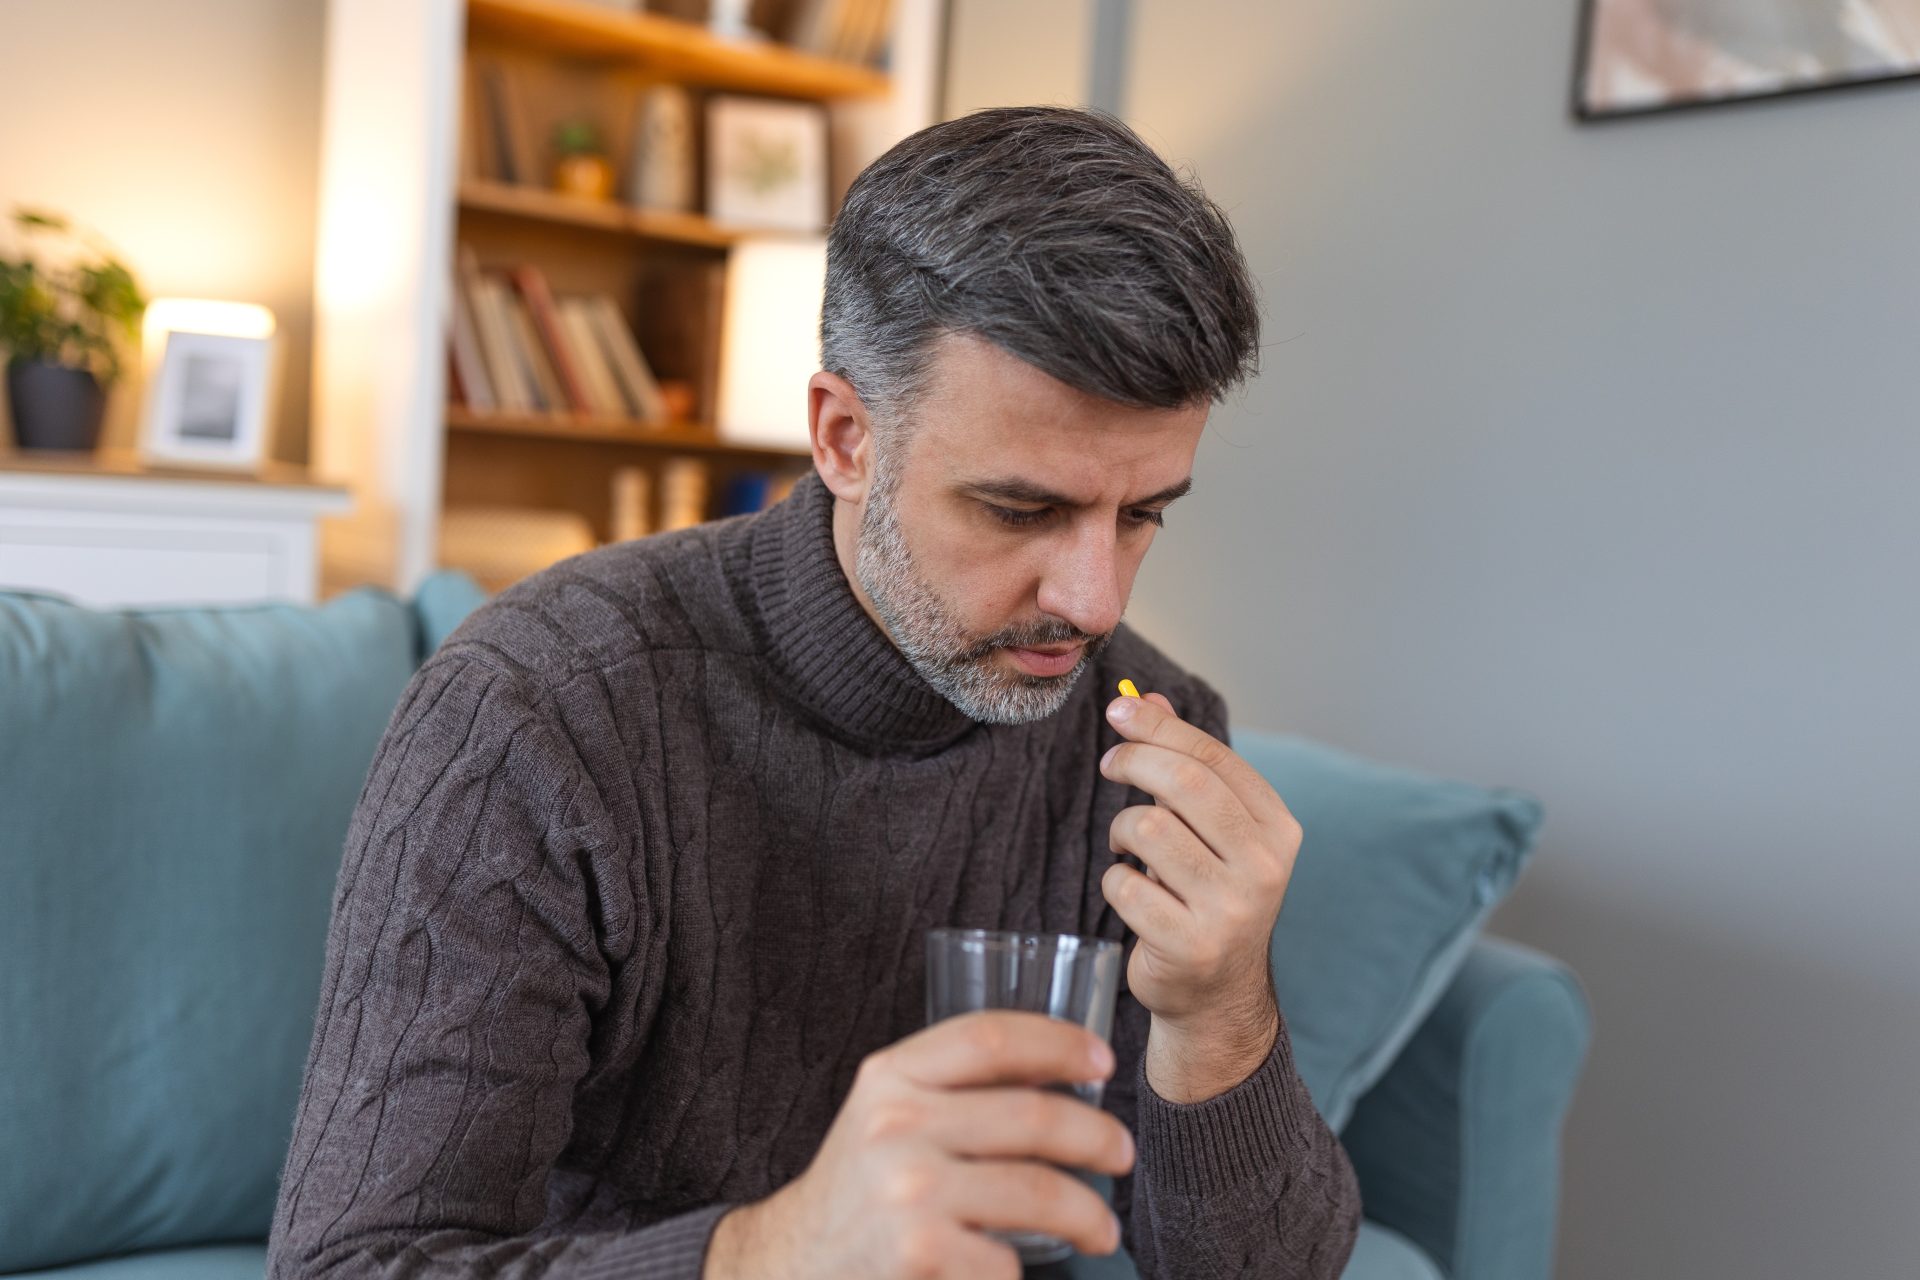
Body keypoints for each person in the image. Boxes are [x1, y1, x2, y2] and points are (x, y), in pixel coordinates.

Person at [266, 105, 1362, 1280]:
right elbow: (351, 1265)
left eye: (1143, 513)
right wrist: (770, 1252)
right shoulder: (538, 716)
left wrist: (1220, 1011)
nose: (1094, 601)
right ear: (843, 437)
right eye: (1020, 509)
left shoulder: (1136, 730)